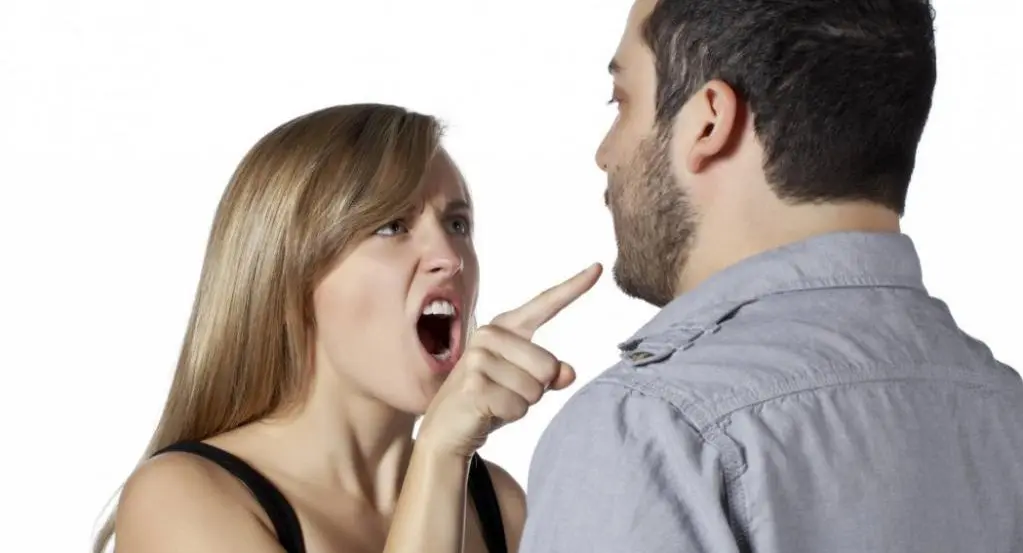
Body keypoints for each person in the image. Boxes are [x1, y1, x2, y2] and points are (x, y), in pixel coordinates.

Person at [519, 0, 1023, 552]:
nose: (605, 153)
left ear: (709, 121)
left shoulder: (650, 431)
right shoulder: (1007, 409)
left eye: (621, 101)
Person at [92, 103, 602, 553]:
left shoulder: (497, 504)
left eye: (457, 224)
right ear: (291, 275)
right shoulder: (181, 498)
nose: (450, 257)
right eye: (392, 226)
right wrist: (441, 454)